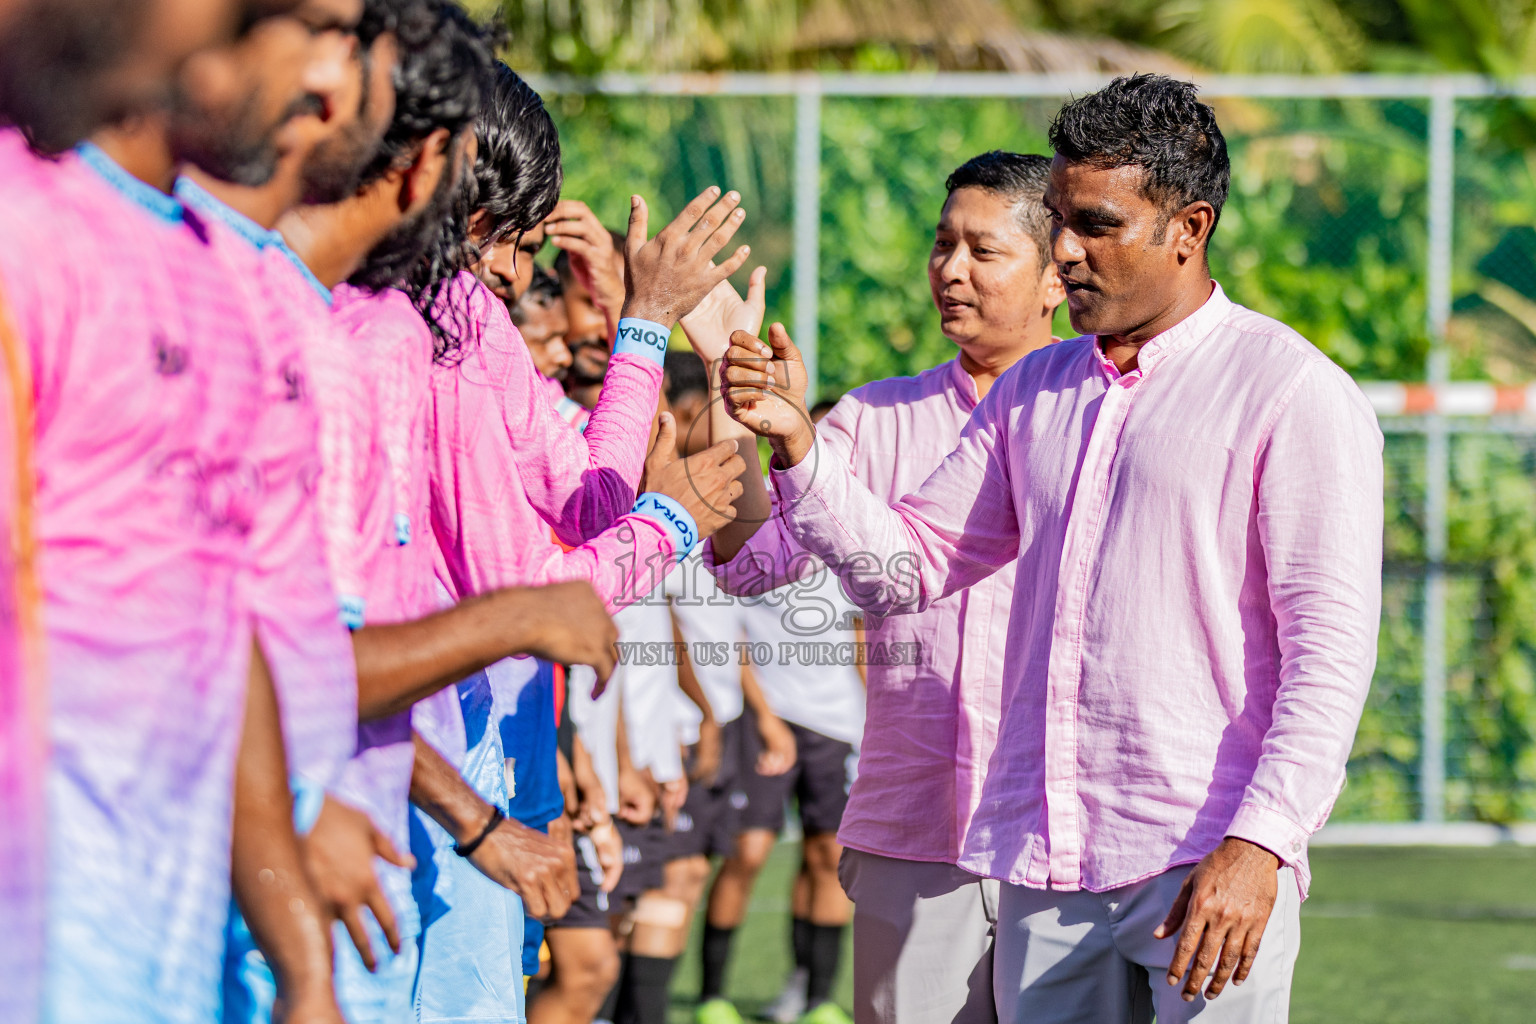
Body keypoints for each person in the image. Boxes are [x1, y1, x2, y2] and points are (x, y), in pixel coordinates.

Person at [722, 74, 1383, 1024]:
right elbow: (907, 568)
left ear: (1188, 229)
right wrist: (794, 442)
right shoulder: (1036, 389)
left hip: (1201, 865)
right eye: (1062, 221)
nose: (1065, 251)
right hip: (1043, 861)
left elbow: (1329, 654)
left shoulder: (1289, 391)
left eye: (1098, 225)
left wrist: (1263, 844)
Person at [0, 6, 362, 1018]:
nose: (329, 88)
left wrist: (299, 953)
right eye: (313, 28)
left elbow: (217, 608)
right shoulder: (28, 228)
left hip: (170, 946)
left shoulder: (217, 277)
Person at [701, 150, 1065, 1024]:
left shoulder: (1097, 410)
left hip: (1063, 837)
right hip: (915, 829)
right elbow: (752, 564)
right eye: (942, 245)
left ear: (1058, 275)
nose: (950, 270)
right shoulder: (868, 417)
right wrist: (734, 397)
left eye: (983, 250)